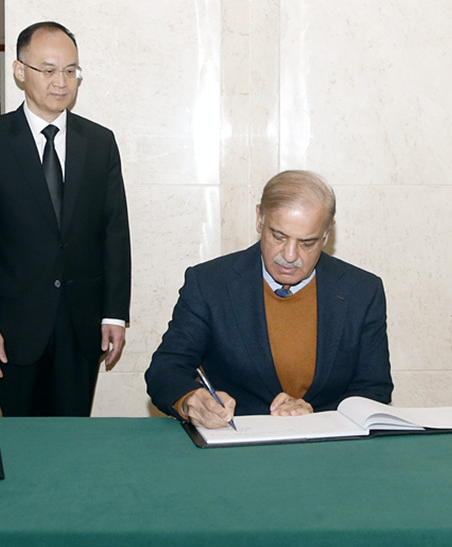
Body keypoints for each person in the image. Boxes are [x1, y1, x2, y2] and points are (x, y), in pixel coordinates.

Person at [0, 21, 132, 416]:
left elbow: (114, 233)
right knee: (24, 437)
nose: (61, 82)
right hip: (12, 326)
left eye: (70, 70)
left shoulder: (99, 143)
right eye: (48, 70)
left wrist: (114, 313)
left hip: (82, 322)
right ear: (20, 71)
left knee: (73, 435)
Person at [145, 170, 393, 429]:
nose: (289, 255)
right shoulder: (210, 284)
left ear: (327, 233)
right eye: (278, 236)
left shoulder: (362, 291)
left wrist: (320, 417)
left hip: (328, 443)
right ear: (259, 219)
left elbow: (374, 389)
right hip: (237, 442)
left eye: (307, 243)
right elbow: (166, 369)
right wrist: (191, 401)